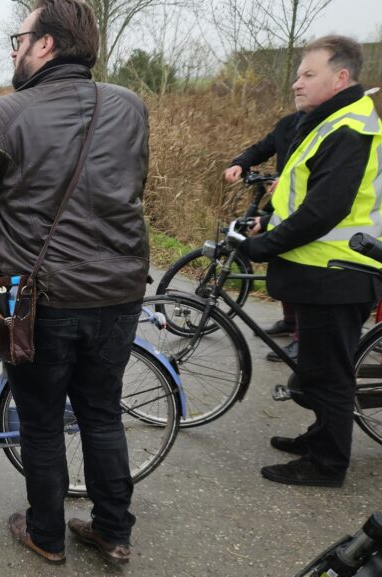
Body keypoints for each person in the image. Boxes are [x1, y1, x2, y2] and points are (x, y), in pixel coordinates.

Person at [0, 0, 149, 565]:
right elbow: (134, 186)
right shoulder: (130, 107)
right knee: (103, 412)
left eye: (20, 37)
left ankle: (46, 535)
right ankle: (113, 532)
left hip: (36, 300)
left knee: (39, 422)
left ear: (46, 45)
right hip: (119, 293)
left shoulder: (1, 118)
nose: (14, 48)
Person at [237, 36, 381, 488]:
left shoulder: (349, 130)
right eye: (298, 74)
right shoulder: (326, 122)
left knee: (331, 374)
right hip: (322, 270)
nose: (296, 83)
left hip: (338, 271)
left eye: (307, 74)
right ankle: (319, 436)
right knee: (318, 366)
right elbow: (301, 198)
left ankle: (326, 463)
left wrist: (263, 247)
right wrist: (266, 221)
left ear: (341, 78)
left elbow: (325, 211)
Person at [224, 111, 305, 363]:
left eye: (308, 77)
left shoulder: (327, 128)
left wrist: (287, 178)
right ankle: (289, 321)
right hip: (285, 204)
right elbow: (263, 147)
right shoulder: (289, 123)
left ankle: (303, 341)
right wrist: (240, 163)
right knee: (280, 260)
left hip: (307, 207)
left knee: (300, 270)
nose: (298, 85)